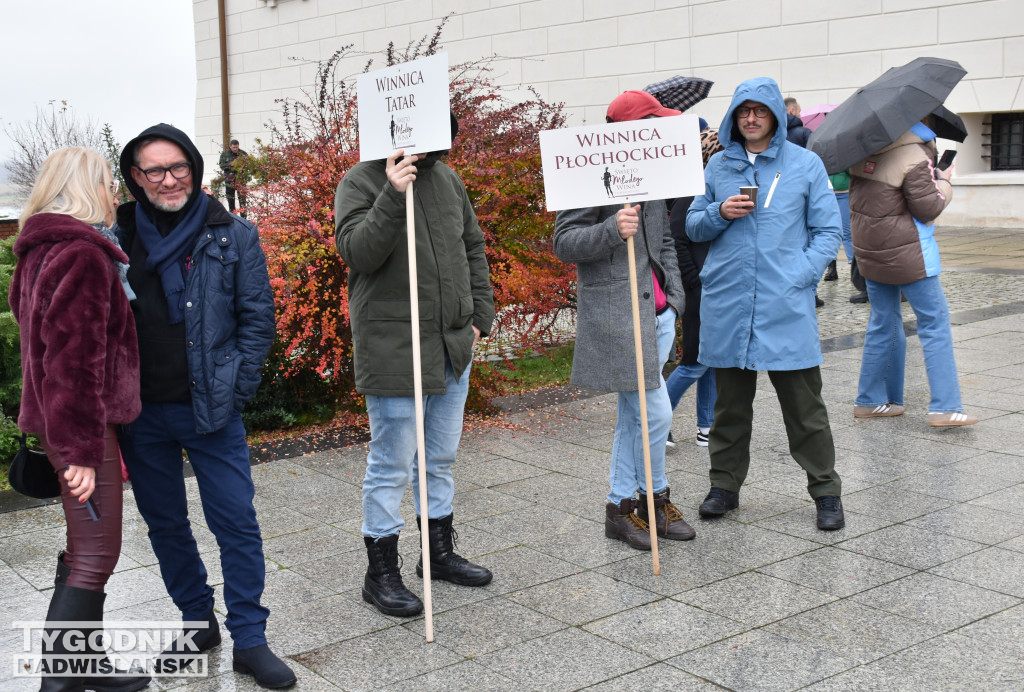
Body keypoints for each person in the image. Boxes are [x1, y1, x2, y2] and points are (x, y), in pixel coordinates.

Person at [115, 124, 295, 688]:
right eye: (154, 171)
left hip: (211, 409)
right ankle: (198, 622)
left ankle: (250, 638)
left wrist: (235, 388)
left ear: (194, 168)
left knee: (235, 522)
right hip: (141, 413)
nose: (169, 180)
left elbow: (257, 320)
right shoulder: (115, 236)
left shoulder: (231, 233)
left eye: (179, 168)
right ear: (135, 179)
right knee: (166, 524)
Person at [335, 112, 496, 617]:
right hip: (394, 348)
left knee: (440, 457)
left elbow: (472, 247)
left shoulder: (447, 180)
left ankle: (438, 553)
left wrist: (480, 316)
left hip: (452, 346)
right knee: (391, 464)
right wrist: (391, 192)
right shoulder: (359, 180)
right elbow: (358, 252)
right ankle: (380, 573)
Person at [11, 147, 149, 691]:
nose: (115, 194)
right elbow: (72, 361)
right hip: (81, 427)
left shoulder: (38, 252)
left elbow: (42, 354)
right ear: (87, 187)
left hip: (64, 424)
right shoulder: (83, 255)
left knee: (85, 549)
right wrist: (81, 453)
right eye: (108, 184)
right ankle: (62, 684)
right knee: (97, 553)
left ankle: (84, 668)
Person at [687, 78, 845, 531]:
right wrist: (721, 213)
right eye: (743, 111)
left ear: (774, 115)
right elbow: (694, 225)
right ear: (734, 118)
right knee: (729, 409)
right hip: (729, 302)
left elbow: (828, 232)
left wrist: (800, 276)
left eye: (759, 111)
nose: (751, 118)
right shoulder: (718, 166)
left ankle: (826, 492)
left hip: (784, 304)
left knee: (805, 408)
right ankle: (724, 486)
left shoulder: (805, 164)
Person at [554, 90, 694, 551]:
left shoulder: (653, 177)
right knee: (654, 414)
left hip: (656, 314)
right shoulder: (585, 177)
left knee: (635, 417)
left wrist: (674, 298)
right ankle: (648, 498)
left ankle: (625, 509)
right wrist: (613, 229)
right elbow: (565, 242)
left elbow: (665, 241)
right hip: (618, 315)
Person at [849, 120, 977, 427]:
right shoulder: (914, 156)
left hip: (871, 254)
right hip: (909, 255)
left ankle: (872, 401)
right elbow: (928, 208)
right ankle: (945, 407)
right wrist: (944, 181)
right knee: (934, 322)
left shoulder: (861, 151)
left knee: (885, 322)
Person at [665, 119, 723, 449]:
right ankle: (659, 423)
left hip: (713, 286)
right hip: (699, 289)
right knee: (694, 362)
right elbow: (676, 240)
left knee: (711, 361)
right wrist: (694, 281)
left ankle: (707, 427)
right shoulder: (692, 193)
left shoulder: (711, 190)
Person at [218, 138, 248, 216]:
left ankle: (244, 217)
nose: (235, 149)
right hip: (229, 180)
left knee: (242, 200)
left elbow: (249, 164)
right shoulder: (225, 154)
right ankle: (233, 217)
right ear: (230, 146)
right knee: (231, 199)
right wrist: (230, 164)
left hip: (240, 179)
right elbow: (221, 166)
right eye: (233, 147)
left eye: (236, 147)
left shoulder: (243, 154)